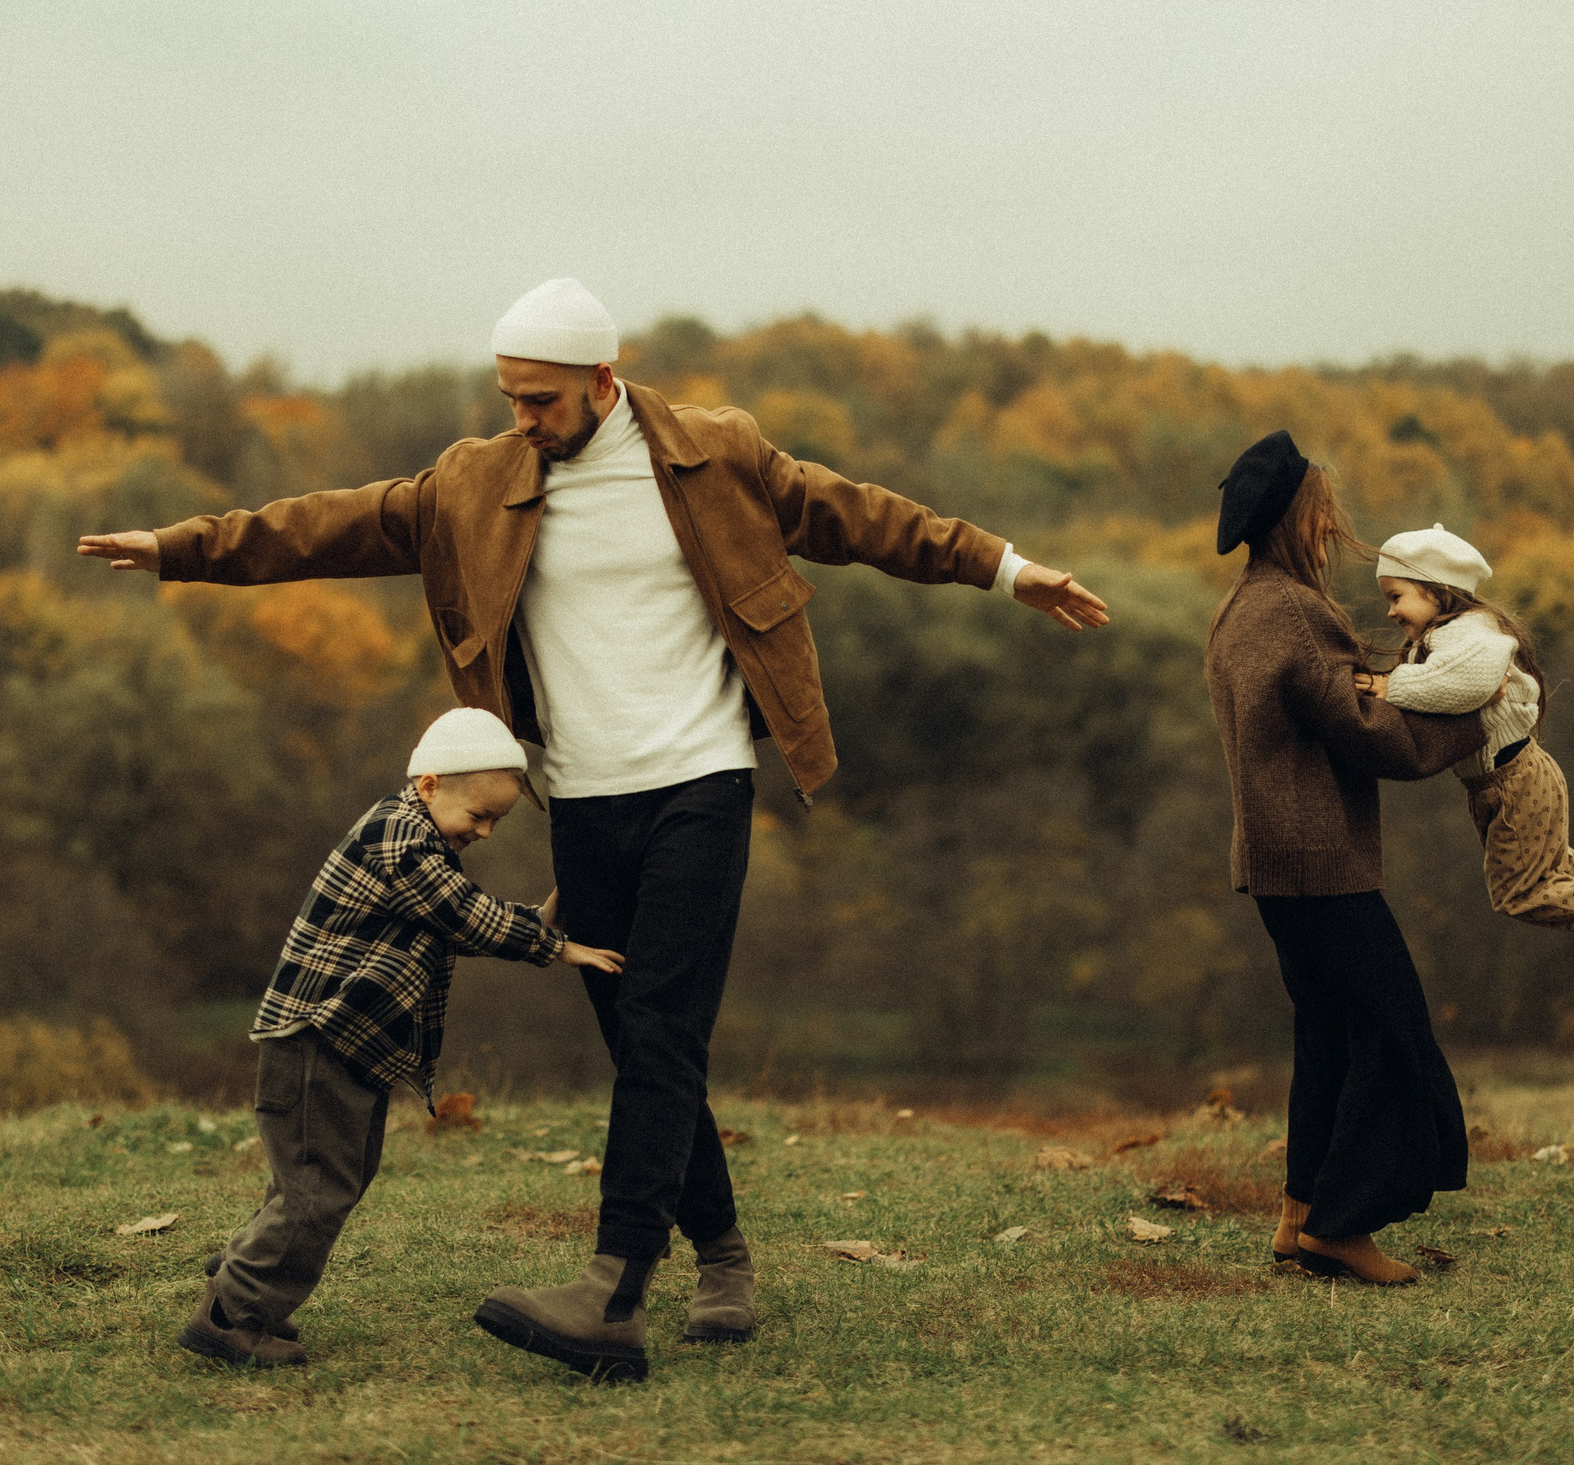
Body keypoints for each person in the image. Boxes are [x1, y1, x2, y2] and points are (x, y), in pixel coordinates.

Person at [84, 277, 1109, 1381]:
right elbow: (330, 524)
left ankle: (612, 1294)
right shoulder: (476, 482)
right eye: (510, 397)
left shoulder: (716, 453)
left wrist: (1006, 568)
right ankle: (721, 1257)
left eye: (540, 401)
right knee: (638, 1043)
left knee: (664, 1033)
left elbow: (865, 516)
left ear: (602, 383)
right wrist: (181, 548)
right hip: (583, 800)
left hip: (700, 783)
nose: (521, 418)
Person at [179, 707, 626, 1369]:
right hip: (314, 1041)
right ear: (428, 786)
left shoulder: (424, 847)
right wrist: (557, 947)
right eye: (478, 814)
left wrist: (557, 905)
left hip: (344, 1049)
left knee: (334, 1179)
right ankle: (230, 1313)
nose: (485, 830)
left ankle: (248, 1283)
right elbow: (464, 914)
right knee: (315, 1190)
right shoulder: (398, 834)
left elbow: (463, 916)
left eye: (497, 821)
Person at [1203, 430, 1483, 1287]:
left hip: (1274, 864)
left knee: (1327, 1032)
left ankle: (1300, 1217)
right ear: (1295, 518)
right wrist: (1480, 713)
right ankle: (1342, 1225)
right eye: (1322, 514)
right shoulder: (1295, 612)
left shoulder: (1238, 610)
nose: (1333, 529)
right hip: (1321, 863)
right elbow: (1374, 737)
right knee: (1393, 1034)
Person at [1355, 523, 1574, 975]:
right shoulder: (1443, 640)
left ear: (1437, 591)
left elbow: (1463, 683)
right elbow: (1440, 695)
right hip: (1511, 781)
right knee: (1554, 870)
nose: (1390, 612)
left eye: (1396, 596)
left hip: (1514, 784)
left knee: (1520, 893)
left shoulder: (1472, 633)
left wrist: (1389, 687)